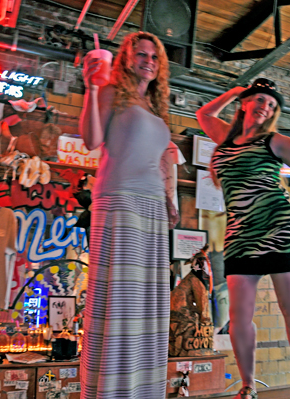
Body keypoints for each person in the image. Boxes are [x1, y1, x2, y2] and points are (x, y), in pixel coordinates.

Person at [196, 78, 290, 399]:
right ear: (245, 103)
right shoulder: (225, 140)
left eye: (271, 105)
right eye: (259, 99)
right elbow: (203, 115)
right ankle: (247, 385)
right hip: (241, 235)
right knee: (239, 315)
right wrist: (235, 91)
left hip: (280, 229)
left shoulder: (272, 140)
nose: (265, 107)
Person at [79, 31, 178, 399]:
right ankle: (110, 389)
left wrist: (170, 199)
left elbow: (158, 159)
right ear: (126, 58)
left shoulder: (154, 105)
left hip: (153, 205)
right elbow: (89, 140)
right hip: (119, 200)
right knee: (118, 300)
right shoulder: (110, 92)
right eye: (141, 54)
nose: (148, 61)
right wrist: (90, 88)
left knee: (149, 304)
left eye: (154, 56)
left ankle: (143, 389)